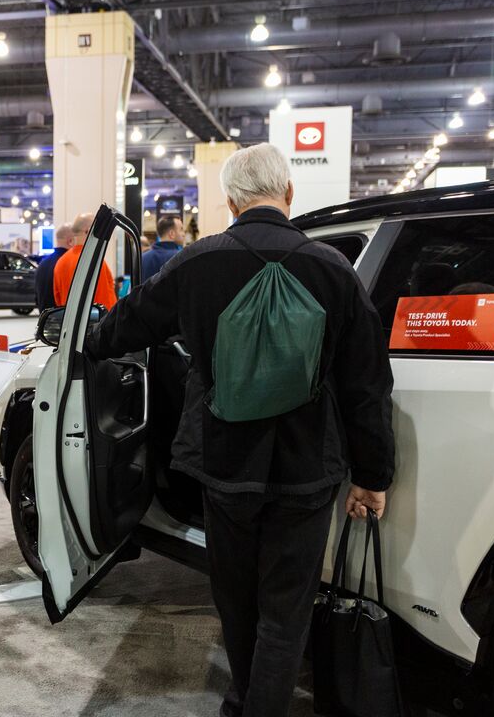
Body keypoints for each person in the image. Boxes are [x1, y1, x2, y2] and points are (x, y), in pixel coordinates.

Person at [85, 143, 394, 717]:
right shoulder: (333, 268)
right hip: (308, 470)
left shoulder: (197, 262)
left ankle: (242, 699)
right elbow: (368, 383)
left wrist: (85, 339)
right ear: (290, 194)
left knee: (235, 598)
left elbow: (128, 326)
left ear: (229, 201)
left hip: (226, 465)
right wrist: (373, 475)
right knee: (287, 604)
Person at [53, 212, 118, 310]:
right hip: (96, 324)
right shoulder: (94, 261)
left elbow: (58, 299)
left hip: (69, 323)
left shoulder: (61, 262)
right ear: (88, 231)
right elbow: (106, 303)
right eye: (98, 229)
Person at [34, 223, 73, 312]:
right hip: (64, 321)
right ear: (70, 241)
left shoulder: (42, 263)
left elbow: (36, 297)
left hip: (45, 321)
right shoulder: (69, 263)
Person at [141, 215, 186, 282]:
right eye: (181, 229)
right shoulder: (181, 257)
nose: (184, 234)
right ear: (172, 234)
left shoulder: (143, 258)